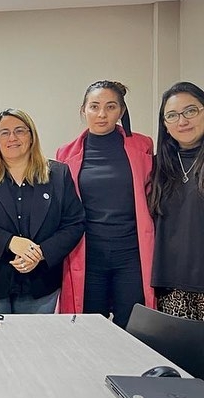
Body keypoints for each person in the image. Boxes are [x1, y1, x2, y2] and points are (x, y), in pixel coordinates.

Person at [0, 109, 85, 314]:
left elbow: (74, 223)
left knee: (34, 336)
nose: (12, 138)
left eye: (19, 131)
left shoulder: (58, 174)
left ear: (31, 136)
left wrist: (41, 253)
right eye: (4, 132)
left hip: (41, 284)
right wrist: (9, 242)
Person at [56, 81, 154, 328]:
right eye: (94, 106)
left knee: (133, 326)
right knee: (89, 327)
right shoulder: (65, 154)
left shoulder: (142, 146)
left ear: (121, 111)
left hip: (131, 253)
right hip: (88, 254)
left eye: (111, 107)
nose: (102, 114)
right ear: (83, 110)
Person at [148, 82, 204, 319]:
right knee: (176, 345)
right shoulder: (155, 166)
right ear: (165, 124)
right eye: (172, 115)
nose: (182, 121)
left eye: (191, 111)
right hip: (170, 285)